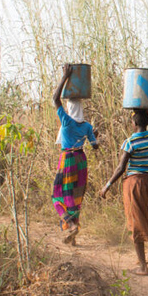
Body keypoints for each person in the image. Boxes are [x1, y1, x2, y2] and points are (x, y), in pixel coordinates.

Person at [99, 108, 148, 276]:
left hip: (135, 183)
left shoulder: (130, 142)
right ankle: (141, 260)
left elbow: (120, 168)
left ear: (134, 123)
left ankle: (143, 267)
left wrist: (107, 185)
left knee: (136, 222)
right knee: (140, 217)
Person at [52, 64, 99, 246]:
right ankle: (73, 238)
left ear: (70, 108)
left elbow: (55, 98)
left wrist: (65, 76)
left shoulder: (66, 121)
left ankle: (70, 224)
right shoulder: (86, 126)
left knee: (58, 195)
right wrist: (95, 136)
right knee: (76, 196)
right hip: (82, 160)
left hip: (68, 159)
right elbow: (94, 146)